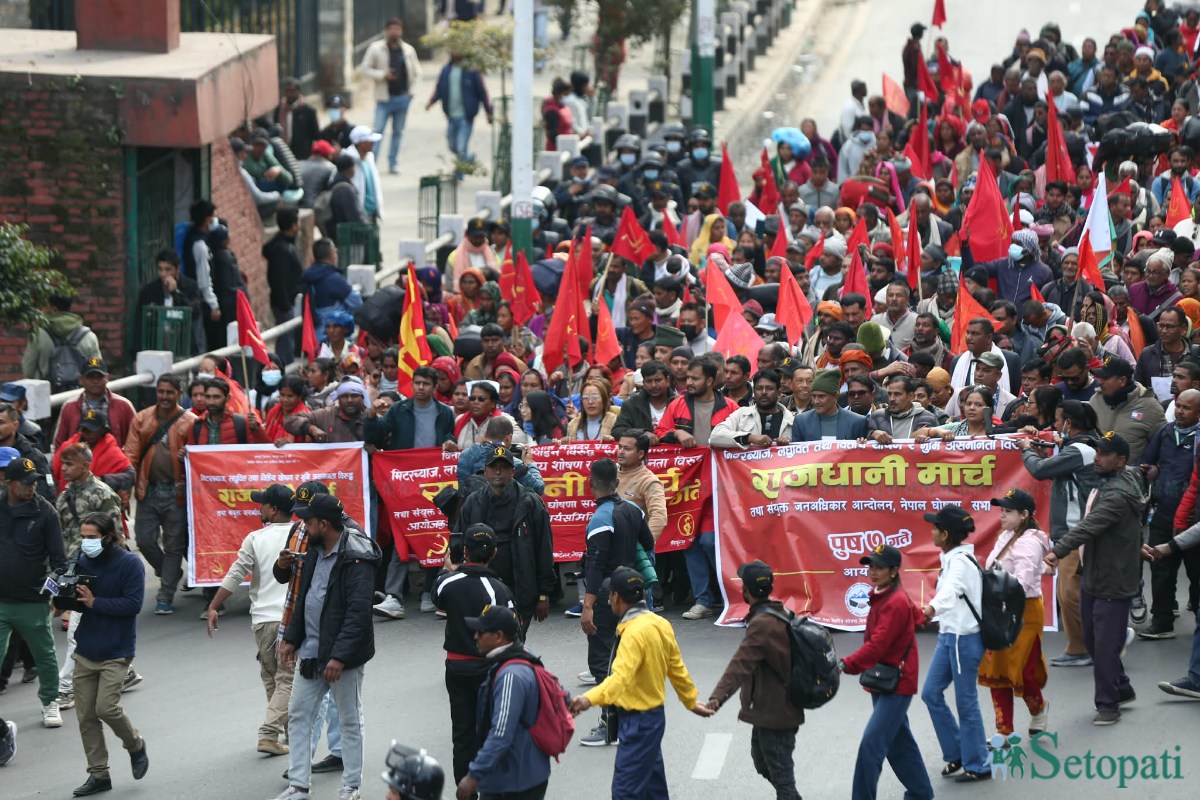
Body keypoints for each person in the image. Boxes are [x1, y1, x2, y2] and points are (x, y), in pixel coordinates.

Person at [568, 567, 713, 798]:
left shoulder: (634, 632)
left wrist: (588, 699)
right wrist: (690, 700)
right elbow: (676, 668)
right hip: (653, 718)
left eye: (609, 596)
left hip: (637, 721)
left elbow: (619, 680)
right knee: (654, 788)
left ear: (615, 597)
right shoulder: (659, 623)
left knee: (625, 792)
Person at [277, 494, 382, 800]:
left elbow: (358, 613)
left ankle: (351, 787)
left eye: (308, 522)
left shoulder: (357, 557)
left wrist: (339, 657)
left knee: (349, 719)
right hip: (310, 653)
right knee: (298, 716)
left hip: (342, 659)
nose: (303, 527)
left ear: (323, 524)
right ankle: (298, 785)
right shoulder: (313, 550)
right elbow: (304, 598)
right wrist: (292, 639)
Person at [1044, 432, 1145, 726]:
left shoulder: (1116, 494)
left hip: (1114, 579)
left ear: (1121, 461)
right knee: (1093, 639)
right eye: (1097, 452)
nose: (1097, 458)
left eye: (1104, 454)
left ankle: (1108, 705)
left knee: (1102, 647)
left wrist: (1057, 551)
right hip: (1095, 573)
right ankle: (1122, 687)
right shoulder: (1112, 483)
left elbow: (1089, 526)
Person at [205, 483, 295, 757]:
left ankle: (285, 734)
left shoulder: (255, 538)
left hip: (262, 622)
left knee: (273, 678)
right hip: (290, 619)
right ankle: (272, 733)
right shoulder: (301, 534)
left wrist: (214, 605)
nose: (260, 508)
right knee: (287, 680)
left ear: (273, 509)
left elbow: (235, 574)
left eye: (263, 504)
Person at [838, 545, 934, 800]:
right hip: (885, 679)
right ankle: (922, 793)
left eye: (878, 567)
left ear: (893, 571)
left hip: (897, 683)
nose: (872, 571)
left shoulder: (895, 602)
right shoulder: (885, 594)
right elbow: (915, 617)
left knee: (871, 746)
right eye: (870, 566)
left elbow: (877, 646)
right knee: (899, 743)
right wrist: (921, 616)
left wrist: (845, 664)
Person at [64, 513, 148, 797]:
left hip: (116, 650)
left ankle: (135, 744)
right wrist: (62, 598)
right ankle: (99, 774)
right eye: (83, 537)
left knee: (105, 708)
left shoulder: (129, 563)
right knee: (86, 716)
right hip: (86, 648)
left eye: (92, 537)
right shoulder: (80, 559)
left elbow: (133, 604)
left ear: (109, 536)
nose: (86, 543)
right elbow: (74, 602)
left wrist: (94, 601)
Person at [707, 561, 806, 800]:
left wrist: (715, 700)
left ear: (746, 590)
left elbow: (740, 665)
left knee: (782, 779)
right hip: (767, 710)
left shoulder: (763, 624)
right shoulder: (776, 611)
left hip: (777, 713)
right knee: (762, 762)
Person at [578, 458, 657, 748]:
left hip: (609, 596)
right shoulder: (633, 509)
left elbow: (596, 564)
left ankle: (610, 724)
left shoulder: (601, 517)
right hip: (633, 591)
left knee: (603, 661)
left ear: (591, 485)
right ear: (617, 482)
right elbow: (648, 544)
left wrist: (587, 605)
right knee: (627, 657)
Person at [1016, 399, 1101, 667]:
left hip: (1076, 531)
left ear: (1069, 423)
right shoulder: (1081, 448)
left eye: (1058, 419)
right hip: (1074, 531)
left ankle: (1088, 645)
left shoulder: (1080, 449)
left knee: (1069, 594)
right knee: (1074, 592)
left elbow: (1040, 471)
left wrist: (1027, 450)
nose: (1054, 424)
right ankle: (1092, 641)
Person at [431, 524, 514, 786]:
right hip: (488, 670)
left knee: (463, 733)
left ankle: (464, 787)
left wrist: (447, 569)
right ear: (494, 553)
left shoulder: (447, 583)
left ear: (464, 551)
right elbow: (513, 630)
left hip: (456, 669)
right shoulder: (499, 590)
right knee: (492, 730)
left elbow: (438, 598)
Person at [654, 357, 737, 620]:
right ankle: (703, 600)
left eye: (695, 378)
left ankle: (728, 596)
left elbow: (741, 440)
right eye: (688, 378)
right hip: (688, 488)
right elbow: (659, 433)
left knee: (710, 541)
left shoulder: (732, 408)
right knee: (689, 542)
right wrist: (677, 433)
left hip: (719, 487)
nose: (688, 382)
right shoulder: (676, 405)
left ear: (710, 381)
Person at [919, 504, 990, 782]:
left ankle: (979, 764)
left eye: (935, 528)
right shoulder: (951, 558)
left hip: (963, 639)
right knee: (930, 693)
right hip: (949, 636)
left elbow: (951, 592)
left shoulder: (959, 563)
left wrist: (930, 610)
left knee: (966, 703)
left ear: (945, 534)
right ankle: (958, 752)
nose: (932, 531)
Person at [454, 445, 556, 635]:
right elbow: (458, 544)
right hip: (481, 590)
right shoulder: (472, 503)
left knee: (512, 644)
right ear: (485, 471)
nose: (498, 472)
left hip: (520, 590)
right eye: (493, 467)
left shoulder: (531, 503)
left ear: (513, 471)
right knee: (484, 646)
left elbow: (544, 549)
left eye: (504, 467)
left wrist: (544, 593)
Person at [978, 489, 1052, 738]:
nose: (1002, 516)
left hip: (1024, 611)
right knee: (996, 670)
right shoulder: (1005, 536)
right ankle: (1004, 731)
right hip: (1000, 610)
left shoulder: (1030, 542)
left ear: (1024, 515)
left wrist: (997, 584)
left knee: (1022, 671)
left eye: (1008, 511)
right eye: (1002, 511)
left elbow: (1022, 580)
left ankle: (1039, 708)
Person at [459, 605, 553, 800]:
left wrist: (474, 774)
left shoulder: (510, 675)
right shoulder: (524, 653)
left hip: (514, 781)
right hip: (523, 773)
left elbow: (501, 733)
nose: (475, 636)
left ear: (498, 636)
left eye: (481, 631)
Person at [0, 455, 66, 729]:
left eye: (34, 482)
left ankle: (50, 702)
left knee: (44, 654)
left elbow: (60, 563)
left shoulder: (45, 512)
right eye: (26, 483)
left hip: (33, 602)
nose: (31, 488)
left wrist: (51, 594)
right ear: (9, 483)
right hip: (0, 601)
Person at [123, 374, 193, 616]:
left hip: (177, 493)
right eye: (161, 391)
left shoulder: (190, 421)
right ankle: (170, 573)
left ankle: (165, 595)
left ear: (179, 394)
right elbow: (130, 455)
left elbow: (202, 457)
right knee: (143, 541)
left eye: (170, 392)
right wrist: (125, 489)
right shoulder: (141, 419)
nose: (165, 396)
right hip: (148, 491)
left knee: (174, 545)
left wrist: (190, 455)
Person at [1137, 389, 1200, 640]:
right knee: (1160, 566)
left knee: (1197, 573)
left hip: (1194, 517)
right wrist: (1149, 470)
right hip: (1163, 511)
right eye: (1178, 405)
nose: (1179, 410)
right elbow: (1149, 462)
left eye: (1186, 407)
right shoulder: (1165, 432)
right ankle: (1161, 621)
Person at [361, 18, 422, 174]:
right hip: (384, 98)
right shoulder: (376, 48)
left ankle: (393, 162)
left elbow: (417, 73)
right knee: (377, 131)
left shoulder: (408, 50)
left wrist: (411, 92)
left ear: (401, 31)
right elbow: (365, 68)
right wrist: (383, 75)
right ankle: (371, 162)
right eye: (391, 29)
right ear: (387, 31)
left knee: (398, 132)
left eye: (397, 29)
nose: (394, 32)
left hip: (402, 97)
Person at [426, 53, 494, 179]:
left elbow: (482, 92)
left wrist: (488, 111)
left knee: (461, 147)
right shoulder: (447, 69)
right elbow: (440, 88)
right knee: (453, 146)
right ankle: (469, 158)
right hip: (452, 116)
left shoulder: (472, 70)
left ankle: (459, 173)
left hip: (466, 117)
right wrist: (432, 101)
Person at [54, 357, 137, 452]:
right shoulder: (69, 407)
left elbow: (135, 441)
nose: (95, 381)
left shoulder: (124, 406)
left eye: (99, 377)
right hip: (79, 463)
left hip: (112, 463)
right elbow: (58, 444)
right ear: (81, 379)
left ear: (107, 378)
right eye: (90, 377)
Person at [21, 294, 102, 392]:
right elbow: (96, 368)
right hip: (78, 396)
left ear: (53, 309)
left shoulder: (38, 334)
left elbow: (28, 369)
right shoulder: (89, 336)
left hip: (47, 397)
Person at [133, 249, 204, 357]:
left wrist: (175, 293)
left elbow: (194, 312)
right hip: (157, 349)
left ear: (177, 269)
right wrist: (136, 355)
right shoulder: (148, 291)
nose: (163, 274)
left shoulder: (191, 286)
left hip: (183, 348)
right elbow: (140, 324)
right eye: (160, 269)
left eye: (168, 270)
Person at [710, 369, 795, 449]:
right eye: (759, 388)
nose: (764, 392)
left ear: (779, 393)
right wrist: (749, 438)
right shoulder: (741, 414)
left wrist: (788, 443)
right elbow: (715, 436)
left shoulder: (792, 420)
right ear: (754, 392)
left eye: (769, 388)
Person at [263, 209, 304, 365]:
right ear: (293, 225)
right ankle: (282, 368)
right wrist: (286, 305)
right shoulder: (282, 249)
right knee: (286, 339)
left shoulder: (285, 245)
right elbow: (279, 280)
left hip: (288, 301)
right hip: (285, 303)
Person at [791, 368, 868, 441]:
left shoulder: (857, 422)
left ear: (836, 395)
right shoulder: (801, 421)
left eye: (821, 396)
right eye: (813, 396)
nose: (816, 401)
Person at [864, 376, 938, 444]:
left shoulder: (928, 418)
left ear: (910, 396)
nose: (892, 399)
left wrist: (926, 440)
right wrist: (873, 434)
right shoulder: (878, 416)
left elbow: (938, 446)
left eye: (897, 394)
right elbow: (864, 440)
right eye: (889, 394)